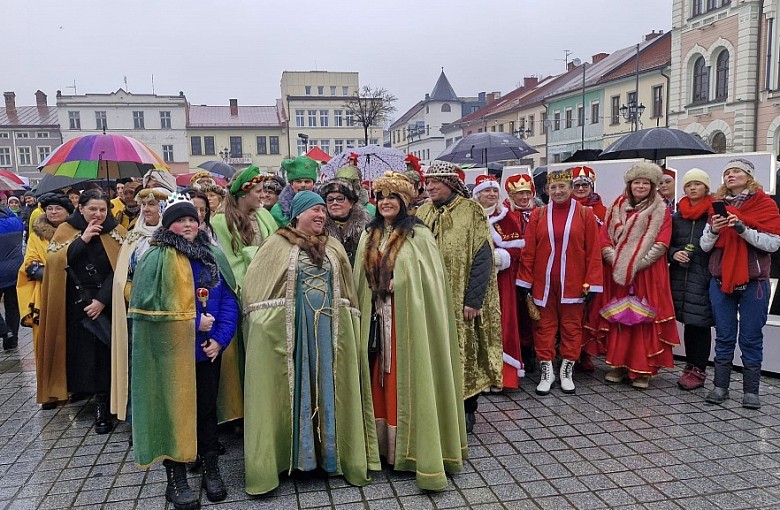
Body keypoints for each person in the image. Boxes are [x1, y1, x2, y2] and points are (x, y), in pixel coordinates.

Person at [242, 191, 379, 495]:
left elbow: (347, 291)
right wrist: (268, 328)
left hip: (329, 336)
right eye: (314, 210)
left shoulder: (333, 247)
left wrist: (350, 325)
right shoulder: (276, 245)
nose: (321, 215)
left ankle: (329, 457)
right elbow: (256, 291)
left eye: (323, 212)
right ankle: (299, 459)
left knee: (329, 390)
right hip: (293, 336)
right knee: (297, 390)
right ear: (298, 215)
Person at [354, 172, 466, 490]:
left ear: (404, 202)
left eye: (393, 197)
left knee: (405, 383)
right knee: (376, 383)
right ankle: (380, 451)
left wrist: (399, 282)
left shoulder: (418, 234)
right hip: (374, 326)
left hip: (407, 326)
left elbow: (429, 282)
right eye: (381, 197)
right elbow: (358, 279)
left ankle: (412, 450)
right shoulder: (368, 234)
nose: (386, 202)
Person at [129, 194, 238, 509]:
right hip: (170, 356)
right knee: (174, 414)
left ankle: (210, 468)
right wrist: (192, 322)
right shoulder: (155, 258)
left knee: (205, 412)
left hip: (207, 353)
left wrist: (220, 338)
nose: (188, 224)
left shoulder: (212, 255)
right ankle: (175, 478)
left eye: (192, 219)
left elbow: (230, 299)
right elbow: (146, 311)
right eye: (180, 219)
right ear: (168, 225)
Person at [416, 160, 503, 433]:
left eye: (435, 182)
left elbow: (483, 254)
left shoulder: (471, 211)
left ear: (450, 184)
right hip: (430, 298)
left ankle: (466, 408)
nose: (429, 187)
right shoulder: (423, 211)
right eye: (427, 182)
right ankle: (438, 409)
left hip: (460, 300)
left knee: (464, 353)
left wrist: (473, 300)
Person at [37, 190, 126, 432]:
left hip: (107, 302)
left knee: (105, 354)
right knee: (83, 355)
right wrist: (83, 239)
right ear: (81, 209)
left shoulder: (117, 231)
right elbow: (58, 263)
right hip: (76, 304)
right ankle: (83, 393)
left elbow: (120, 270)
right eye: (92, 209)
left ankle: (104, 403)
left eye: (102, 210)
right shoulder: (67, 230)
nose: (98, 214)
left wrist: (102, 301)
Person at [700, 159, 780, 409]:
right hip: (720, 280)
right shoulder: (717, 206)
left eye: (736, 171)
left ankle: (751, 391)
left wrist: (743, 229)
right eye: (727, 172)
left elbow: (772, 244)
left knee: (751, 337)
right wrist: (714, 230)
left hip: (754, 283)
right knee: (724, 336)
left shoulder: (765, 204)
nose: (730, 175)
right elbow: (704, 246)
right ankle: (720, 386)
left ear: (749, 176)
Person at [517, 169, 603, 395]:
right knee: (543, 328)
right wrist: (524, 280)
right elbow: (529, 250)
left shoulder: (585, 214)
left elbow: (593, 251)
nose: (558, 191)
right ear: (547, 190)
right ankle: (548, 371)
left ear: (571, 189)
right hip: (542, 284)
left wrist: (592, 282)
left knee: (571, 328)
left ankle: (567, 371)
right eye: (553, 188)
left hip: (574, 284)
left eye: (562, 187)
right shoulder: (538, 214)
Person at [599, 162, 679, 389]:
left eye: (646, 182)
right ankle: (618, 364)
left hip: (647, 272)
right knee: (620, 316)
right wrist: (615, 259)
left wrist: (635, 264)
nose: (641, 186)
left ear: (653, 186)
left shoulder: (660, 209)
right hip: (619, 273)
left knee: (644, 318)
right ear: (630, 184)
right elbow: (604, 235)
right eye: (637, 182)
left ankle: (643, 369)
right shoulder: (616, 206)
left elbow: (662, 242)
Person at [209, 165, 277, 423]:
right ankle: (242, 410)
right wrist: (259, 256)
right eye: (258, 191)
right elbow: (229, 261)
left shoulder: (264, 215)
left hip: (270, 289)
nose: (262, 195)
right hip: (242, 292)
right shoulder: (220, 221)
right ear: (243, 193)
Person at [110, 187, 169, 421]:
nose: (146, 209)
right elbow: (123, 274)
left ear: (162, 208)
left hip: (165, 307)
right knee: (140, 362)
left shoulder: (169, 236)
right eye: (144, 205)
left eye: (152, 205)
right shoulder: (134, 236)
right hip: (137, 308)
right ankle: (140, 417)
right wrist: (129, 290)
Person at [472, 175, 525, 390]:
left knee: (502, 324)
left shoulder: (508, 218)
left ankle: (501, 376)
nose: (491, 195)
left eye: (495, 191)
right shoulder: (470, 217)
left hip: (501, 280)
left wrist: (500, 257)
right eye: (487, 191)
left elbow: (519, 248)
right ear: (478, 194)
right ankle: (480, 376)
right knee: (477, 327)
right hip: (475, 281)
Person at [668, 168, 715, 391]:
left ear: (706, 187)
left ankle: (699, 368)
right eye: (688, 185)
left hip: (704, 275)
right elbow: (667, 244)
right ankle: (690, 365)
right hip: (680, 276)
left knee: (701, 323)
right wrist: (674, 253)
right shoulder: (677, 217)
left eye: (697, 184)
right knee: (689, 321)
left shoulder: (714, 214)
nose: (693, 188)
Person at [17, 193, 74, 361]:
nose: (53, 212)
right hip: (46, 290)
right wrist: (53, 274)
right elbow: (30, 263)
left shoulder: (76, 232)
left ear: (67, 212)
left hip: (72, 290)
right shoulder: (37, 235)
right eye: (49, 209)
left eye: (58, 208)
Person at [569, 166, 608, 373]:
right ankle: (569, 353)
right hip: (571, 267)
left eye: (585, 185)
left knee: (590, 312)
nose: (582, 188)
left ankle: (585, 353)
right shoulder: (564, 208)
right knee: (572, 313)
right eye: (577, 185)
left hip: (594, 266)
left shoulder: (603, 211)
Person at [504, 173, 538, 370]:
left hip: (535, 269)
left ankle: (529, 350)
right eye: (519, 194)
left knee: (531, 313)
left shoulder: (539, 213)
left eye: (527, 193)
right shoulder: (506, 215)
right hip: (513, 271)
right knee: (515, 312)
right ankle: (517, 352)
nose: (524, 198)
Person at [320, 176, 372, 266]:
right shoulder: (318, 229)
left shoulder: (367, 229)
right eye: (330, 200)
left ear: (351, 203)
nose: (334, 203)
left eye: (340, 199)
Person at [0, 204, 24, 350]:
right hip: (15, 270)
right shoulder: (16, 221)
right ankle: (12, 340)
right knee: (12, 306)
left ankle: (4, 331)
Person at [270, 155, 319, 227]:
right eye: (298, 182)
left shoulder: (322, 207)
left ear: (313, 184)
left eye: (307, 181)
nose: (303, 185)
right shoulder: (278, 211)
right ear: (291, 184)